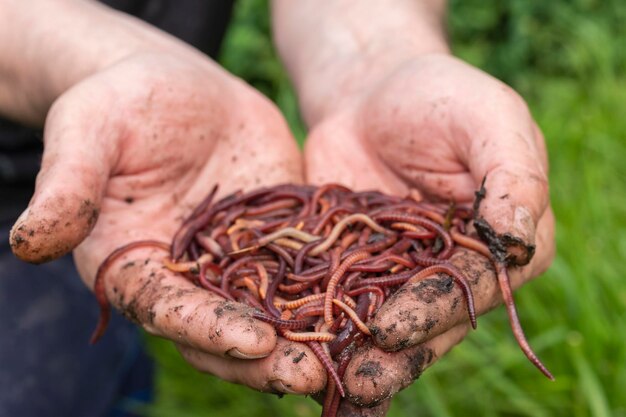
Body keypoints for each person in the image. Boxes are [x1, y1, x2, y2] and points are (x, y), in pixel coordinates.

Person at [0, 1, 555, 416]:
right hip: (49, 153)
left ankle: (122, 379)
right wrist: (102, 60)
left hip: (138, 169)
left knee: (83, 370)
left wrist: (378, 60)